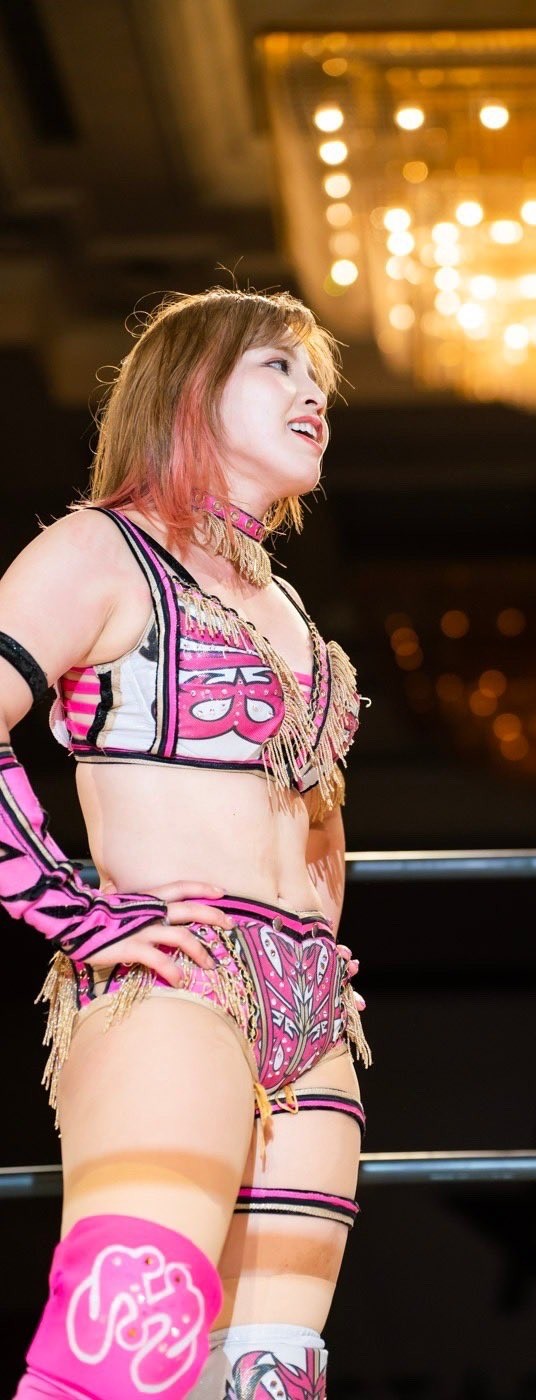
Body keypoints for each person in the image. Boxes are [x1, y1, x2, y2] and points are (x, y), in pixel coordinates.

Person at [3, 286, 370, 1398]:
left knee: (270, 1376)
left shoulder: (286, 605)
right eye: (277, 367)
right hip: (178, 984)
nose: (312, 393)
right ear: (191, 390)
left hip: (312, 1013)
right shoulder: (98, 550)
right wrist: (70, 909)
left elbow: (314, 816)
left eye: (317, 376)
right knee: (127, 1348)